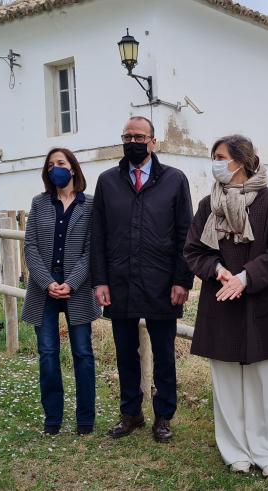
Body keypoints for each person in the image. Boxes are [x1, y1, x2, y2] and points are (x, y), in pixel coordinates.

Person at [183, 135, 268, 478]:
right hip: (221, 302)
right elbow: (193, 250)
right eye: (214, 156)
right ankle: (236, 452)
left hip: (262, 302)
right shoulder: (208, 204)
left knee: (266, 386)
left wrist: (245, 278)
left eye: (220, 157)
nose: (216, 162)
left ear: (242, 161)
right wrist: (218, 271)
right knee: (227, 385)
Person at [91, 116, 194, 443]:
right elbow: (98, 236)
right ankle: (130, 413)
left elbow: (185, 235)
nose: (133, 142)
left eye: (139, 136)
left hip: (162, 284)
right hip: (119, 282)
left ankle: (163, 416)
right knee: (125, 353)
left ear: (153, 141)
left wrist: (183, 280)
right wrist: (100, 281)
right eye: (127, 136)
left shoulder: (175, 180)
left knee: (164, 353)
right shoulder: (108, 182)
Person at [21, 147, 102, 436]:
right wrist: (47, 282)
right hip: (44, 290)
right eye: (51, 164)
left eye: (61, 163)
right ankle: (52, 419)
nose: (55, 167)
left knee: (83, 353)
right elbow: (30, 246)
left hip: (77, 290)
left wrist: (73, 281)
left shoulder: (90, 205)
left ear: (73, 168)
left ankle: (85, 420)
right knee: (47, 354)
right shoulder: (39, 203)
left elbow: (91, 251)